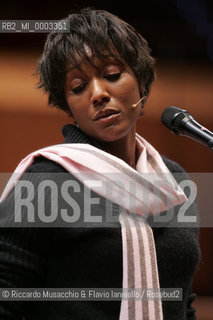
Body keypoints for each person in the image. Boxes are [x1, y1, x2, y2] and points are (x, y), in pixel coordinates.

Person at [0, 8, 200, 320]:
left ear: (140, 81)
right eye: (78, 87)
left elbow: (182, 303)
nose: (98, 94)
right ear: (68, 105)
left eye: (111, 75)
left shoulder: (176, 182)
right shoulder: (43, 183)